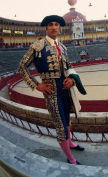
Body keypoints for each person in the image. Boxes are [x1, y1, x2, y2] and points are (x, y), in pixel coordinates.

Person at [18, 15, 86, 165]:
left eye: (56, 25)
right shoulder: (37, 46)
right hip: (51, 91)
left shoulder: (62, 47)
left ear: (59, 27)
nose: (54, 27)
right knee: (60, 125)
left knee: (67, 119)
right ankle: (70, 158)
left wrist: (72, 80)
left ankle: (71, 143)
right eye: (51, 25)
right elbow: (22, 66)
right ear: (46, 28)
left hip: (65, 89)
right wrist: (36, 85)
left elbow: (68, 68)